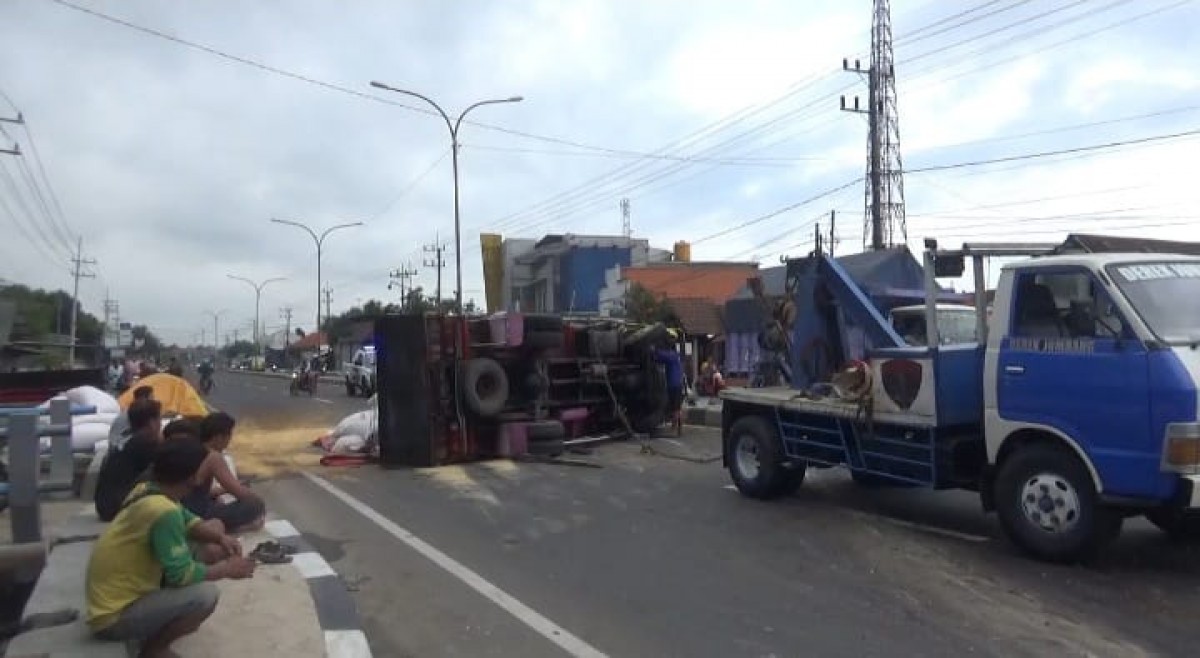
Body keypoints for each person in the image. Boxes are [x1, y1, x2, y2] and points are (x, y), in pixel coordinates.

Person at [87, 439, 256, 657]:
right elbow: (181, 575)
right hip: (114, 617)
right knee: (204, 596)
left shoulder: (148, 490)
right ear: (192, 477)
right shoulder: (163, 511)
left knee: (213, 531)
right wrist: (227, 569)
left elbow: (189, 521)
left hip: (111, 602)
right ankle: (154, 650)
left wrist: (221, 538)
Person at [180, 412, 265, 533]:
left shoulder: (192, 448)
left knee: (218, 501)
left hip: (182, 507)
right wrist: (258, 504)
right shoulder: (213, 457)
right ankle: (232, 528)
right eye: (228, 436)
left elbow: (195, 489)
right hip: (196, 513)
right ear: (219, 437)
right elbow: (240, 493)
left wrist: (222, 491)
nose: (229, 441)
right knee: (254, 505)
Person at [95, 398, 164, 523]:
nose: (161, 424)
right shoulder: (144, 444)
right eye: (159, 419)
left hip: (105, 505)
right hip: (116, 507)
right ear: (151, 423)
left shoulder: (128, 438)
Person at [108, 385, 154, 451]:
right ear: (143, 398)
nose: (153, 401)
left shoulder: (131, 410)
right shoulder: (135, 413)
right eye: (151, 397)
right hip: (119, 446)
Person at [653, 341, 685, 433]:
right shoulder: (676, 356)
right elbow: (660, 359)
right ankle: (678, 428)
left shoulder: (672, 355)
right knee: (677, 407)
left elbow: (660, 355)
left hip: (673, 385)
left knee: (675, 408)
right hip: (677, 384)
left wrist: (653, 349)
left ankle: (675, 427)